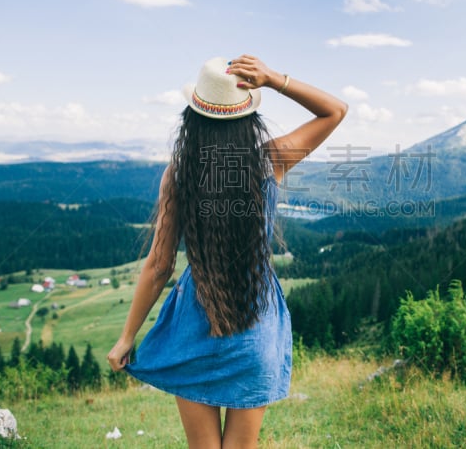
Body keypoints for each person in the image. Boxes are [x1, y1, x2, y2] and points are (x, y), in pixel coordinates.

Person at [107, 54, 347, 448]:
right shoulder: (269, 161)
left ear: (194, 116)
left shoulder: (180, 172)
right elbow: (335, 111)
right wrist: (273, 79)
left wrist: (126, 338)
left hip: (194, 322)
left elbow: (159, 265)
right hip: (256, 318)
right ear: (248, 118)